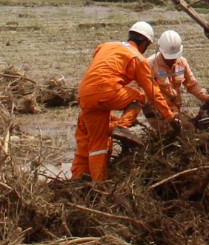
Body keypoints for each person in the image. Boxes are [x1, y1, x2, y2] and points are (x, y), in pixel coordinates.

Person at [73, 20, 177, 181]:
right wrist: (170, 117)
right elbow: (153, 91)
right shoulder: (137, 58)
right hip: (107, 91)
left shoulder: (105, 45)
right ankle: (122, 126)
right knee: (139, 96)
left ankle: (99, 185)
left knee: (97, 144)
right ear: (145, 43)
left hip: (85, 95)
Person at [148, 29, 209, 114]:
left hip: (176, 109)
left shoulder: (182, 62)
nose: (172, 60)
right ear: (161, 51)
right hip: (158, 111)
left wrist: (208, 98)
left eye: (174, 56)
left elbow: (192, 85)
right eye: (169, 58)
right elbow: (148, 93)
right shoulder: (150, 65)